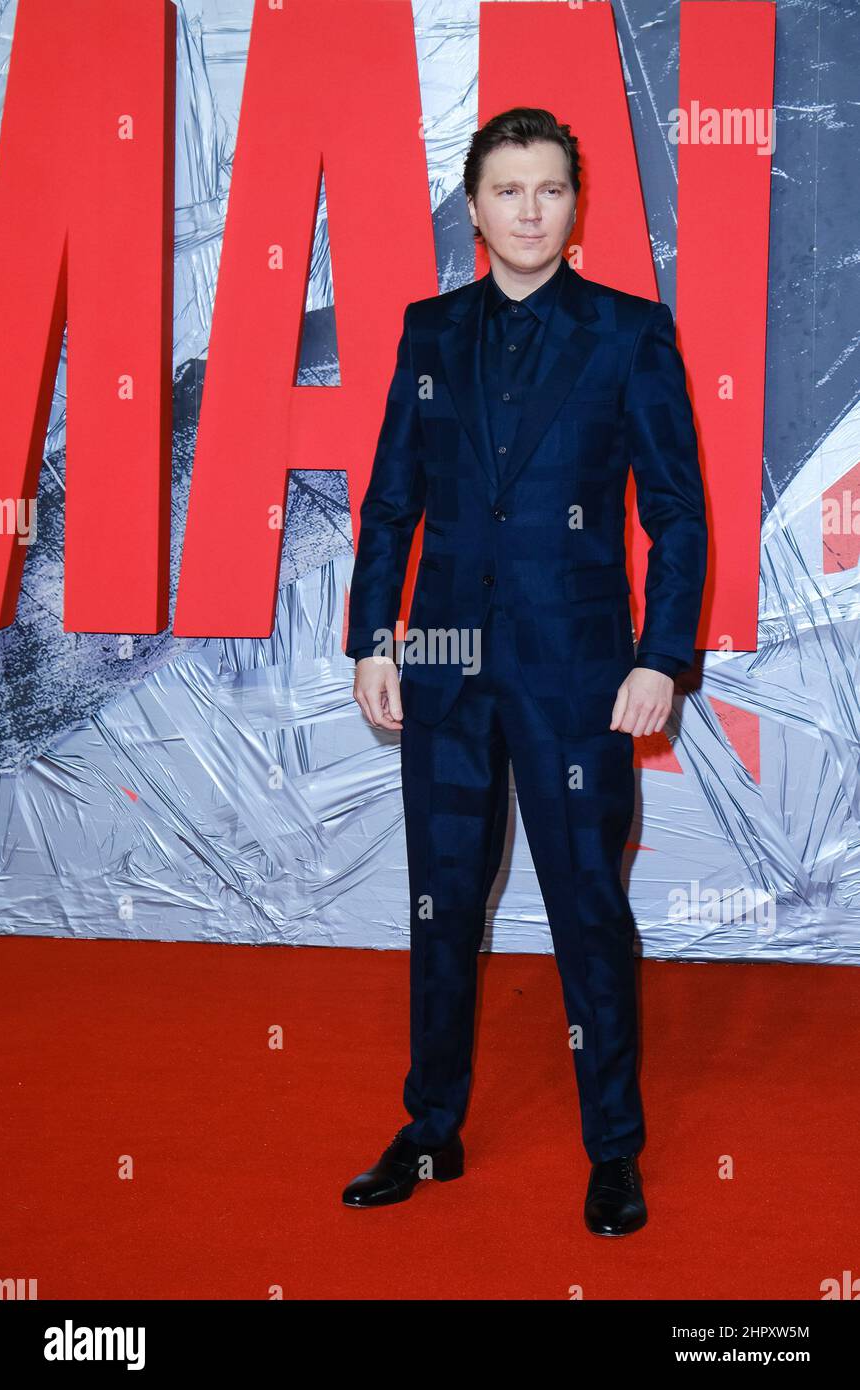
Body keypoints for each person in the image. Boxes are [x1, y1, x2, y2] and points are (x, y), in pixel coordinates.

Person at [341, 107, 708, 1235]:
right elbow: (392, 499)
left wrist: (661, 660)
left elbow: (679, 513)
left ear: (572, 204)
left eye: (549, 190)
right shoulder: (427, 332)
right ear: (474, 203)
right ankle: (430, 1126)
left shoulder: (627, 332)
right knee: (439, 905)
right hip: (445, 659)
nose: (529, 210)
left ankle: (612, 1147)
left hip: (578, 671)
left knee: (586, 908)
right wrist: (371, 637)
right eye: (508, 190)